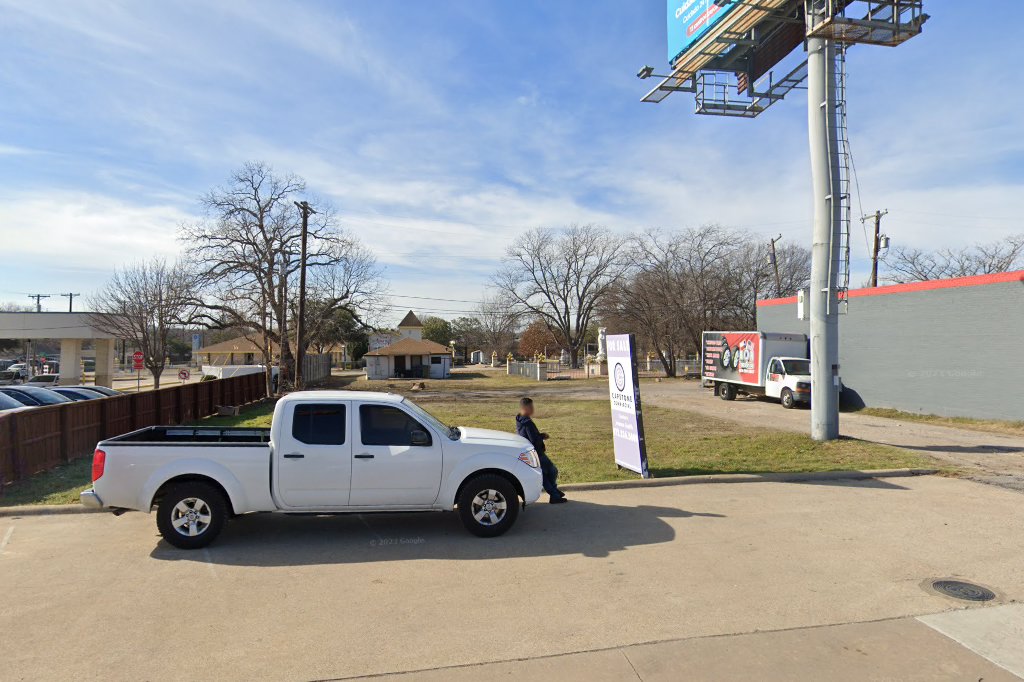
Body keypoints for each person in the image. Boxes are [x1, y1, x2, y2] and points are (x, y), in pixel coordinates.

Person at [515, 397, 566, 504]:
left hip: (532, 452)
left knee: (546, 474)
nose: (533, 409)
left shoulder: (520, 419)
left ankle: (554, 493)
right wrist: (542, 439)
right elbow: (533, 439)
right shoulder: (526, 422)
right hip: (536, 452)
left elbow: (531, 436)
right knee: (551, 471)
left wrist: (541, 436)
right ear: (526, 408)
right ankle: (554, 494)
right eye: (531, 407)